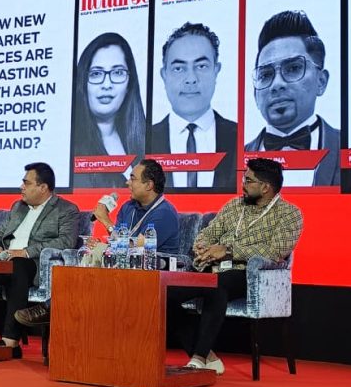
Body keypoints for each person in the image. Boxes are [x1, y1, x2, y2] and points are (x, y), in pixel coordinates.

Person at [167, 157, 303, 375]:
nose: (242, 185)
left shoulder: (289, 214)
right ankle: (208, 357)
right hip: (212, 269)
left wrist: (229, 251)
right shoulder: (234, 206)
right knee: (166, 294)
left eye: (248, 181)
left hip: (247, 275)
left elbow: (275, 251)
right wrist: (203, 247)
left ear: (266, 187)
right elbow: (208, 233)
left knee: (217, 286)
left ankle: (198, 358)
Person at [15, 159, 179, 328]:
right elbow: (118, 241)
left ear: (149, 185)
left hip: (151, 275)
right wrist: (102, 245)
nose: (127, 182)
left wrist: (105, 220)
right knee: (87, 267)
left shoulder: (164, 213)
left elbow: (137, 245)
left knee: (92, 281)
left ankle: (50, 309)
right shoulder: (128, 207)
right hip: (123, 270)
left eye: (133, 178)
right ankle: (56, 313)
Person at [0, 162, 79, 356]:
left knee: (18, 265)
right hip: (4, 262)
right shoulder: (18, 207)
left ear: (43, 187)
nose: (21, 187)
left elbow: (66, 241)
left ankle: (10, 341)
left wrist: (25, 252)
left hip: (33, 265)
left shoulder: (66, 209)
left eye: (26, 183)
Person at [245, 10, 339, 186]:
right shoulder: (233, 159)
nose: (276, 84)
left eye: (293, 68)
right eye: (266, 74)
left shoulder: (349, 150)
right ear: (255, 94)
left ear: (321, 81)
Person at [150, 22, 237, 190]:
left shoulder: (240, 138)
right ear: (164, 75)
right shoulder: (144, 140)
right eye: (178, 68)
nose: (191, 79)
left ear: (216, 70)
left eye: (201, 66)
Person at [73, 32, 146, 188]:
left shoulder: (147, 141)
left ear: (130, 83)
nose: (107, 85)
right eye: (96, 74)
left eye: (118, 72)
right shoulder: (69, 150)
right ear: (82, 83)